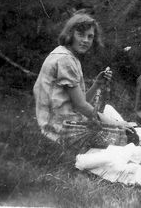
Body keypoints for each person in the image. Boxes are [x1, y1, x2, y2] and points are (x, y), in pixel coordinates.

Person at [33, 13, 133, 144]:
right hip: (59, 129)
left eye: (90, 36)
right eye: (80, 34)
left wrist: (97, 84)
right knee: (123, 138)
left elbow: (79, 102)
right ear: (70, 34)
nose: (86, 40)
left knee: (121, 129)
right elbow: (81, 106)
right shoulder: (66, 60)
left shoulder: (65, 54)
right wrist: (115, 124)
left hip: (60, 122)